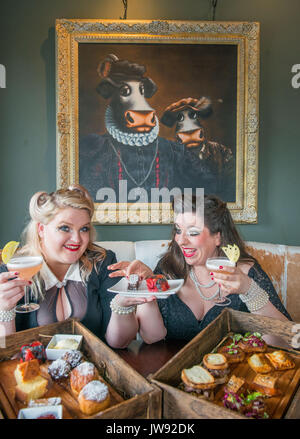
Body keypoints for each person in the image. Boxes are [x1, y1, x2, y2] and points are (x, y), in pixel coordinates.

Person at [108, 194, 292, 345]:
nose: (180, 240)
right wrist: (148, 289)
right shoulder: (168, 268)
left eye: (193, 232)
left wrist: (249, 290)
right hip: (174, 374)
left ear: (218, 237)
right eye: (178, 230)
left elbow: (287, 340)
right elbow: (151, 337)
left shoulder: (246, 271)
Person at [0, 185, 157, 348]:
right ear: (41, 229)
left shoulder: (102, 263)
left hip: (93, 369)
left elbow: (119, 343)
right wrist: (4, 310)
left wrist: (122, 305)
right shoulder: (13, 271)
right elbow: (5, 350)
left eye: (84, 229)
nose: (77, 239)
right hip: (33, 370)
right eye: (64, 228)